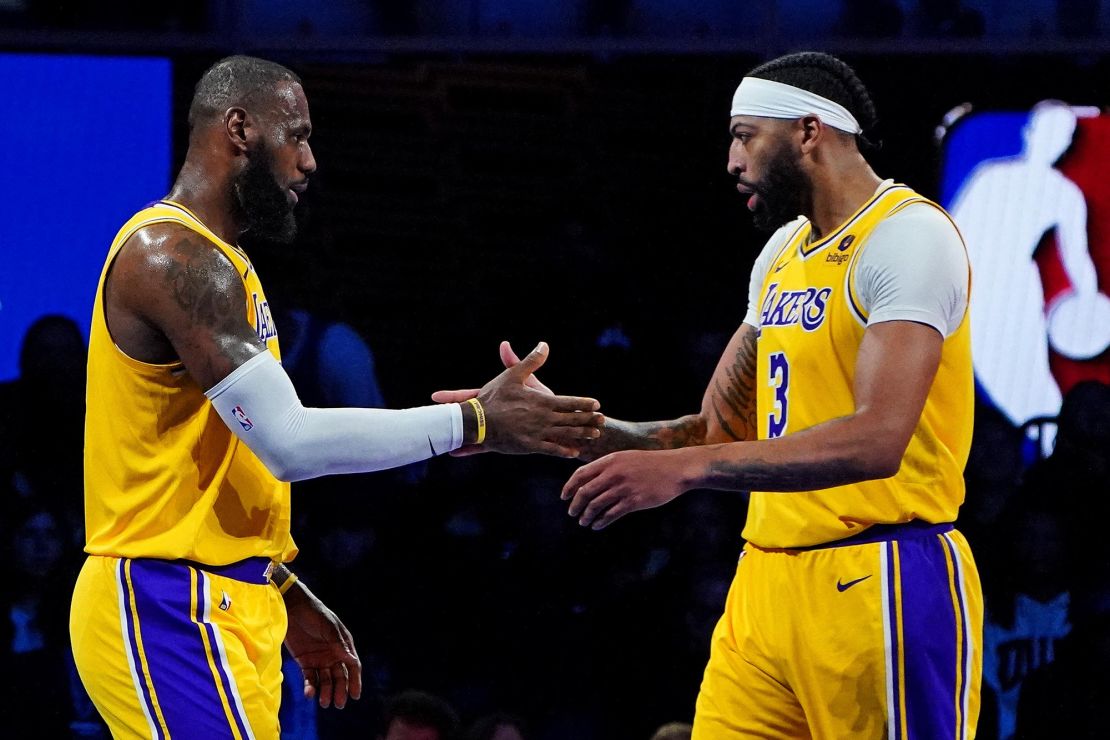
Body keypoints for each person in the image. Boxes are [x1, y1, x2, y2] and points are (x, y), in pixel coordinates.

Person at [69, 54, 604, 740]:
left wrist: (281, 586)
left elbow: (217, 463)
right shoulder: (170, 255)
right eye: (296, 134)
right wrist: (473, 422)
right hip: (167, 601)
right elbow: (290, 443)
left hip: (226, 599)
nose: (310, 160)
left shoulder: (225, 265)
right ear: (239, 128)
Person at [480, 51, 982, 736]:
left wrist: (686, 472)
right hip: (765, 580)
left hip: (883, 571)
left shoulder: (908, 237)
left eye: (746, 135)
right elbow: (714, 431)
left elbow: (877, 439)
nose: (731, 159)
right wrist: (560, 427)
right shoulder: (782, 252)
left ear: (810, 131)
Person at [950, 99, 1106, 452]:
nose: (1054, 141)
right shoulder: (991, 175)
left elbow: (1077, 257)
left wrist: (1088, 307)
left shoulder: (1065, 195)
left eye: (1062, 136)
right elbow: (952, 232)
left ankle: (1051, 454)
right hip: (972, 287)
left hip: (1016, 291)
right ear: (1031, 132)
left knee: (1030, 383)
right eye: (1048, 131)